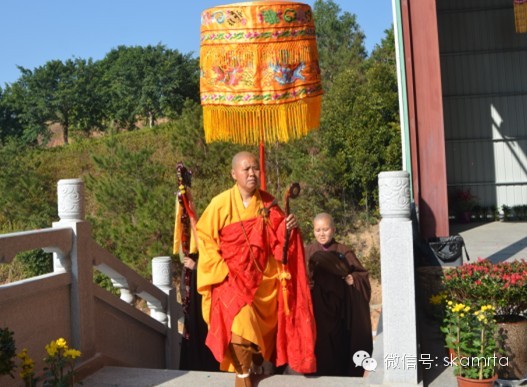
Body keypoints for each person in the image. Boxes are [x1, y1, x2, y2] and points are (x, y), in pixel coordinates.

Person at [196, 151, 316, 387]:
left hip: (263, 283)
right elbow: (204, 238)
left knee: (259, 338)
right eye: (246, 169)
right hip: (230, 278)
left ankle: (258, 365)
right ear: (234, 174)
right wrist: (221, 270)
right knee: (238, 324)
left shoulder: (269, 204)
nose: (252, 173)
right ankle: (243, 378)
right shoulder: (219, 204)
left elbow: (279, 245)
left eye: (255, 169)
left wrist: (289, 229)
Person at [304, 213, 373, 377]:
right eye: (318, 230)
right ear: (313, 231)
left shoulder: (343, 251)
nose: (322, 233)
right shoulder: (308, 251)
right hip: (316, 307)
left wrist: (352, 279)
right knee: (319, 343)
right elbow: (301, 277)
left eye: (325, 229)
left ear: (333, 230)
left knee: (339, 341)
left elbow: (361, 274)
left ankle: (342, 374)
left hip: (339, 308)